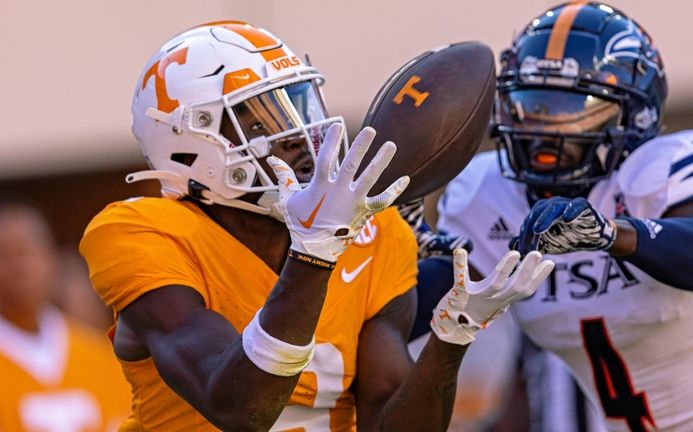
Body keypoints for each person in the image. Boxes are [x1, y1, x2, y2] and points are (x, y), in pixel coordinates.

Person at [78, 21, 554, 431]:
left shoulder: (375, 232)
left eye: (297, 106)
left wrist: (452, 339)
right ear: (189, 146)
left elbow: (387, 417)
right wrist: (314, 255)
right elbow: (239, 407)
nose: (302, 134)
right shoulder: (143, 231)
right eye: (261, 119)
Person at [432, 2, 693, 431]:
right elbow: (419, 303)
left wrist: (613, 235)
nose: (543, 127)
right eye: (532, 102)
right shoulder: (488, 192)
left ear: (634, 115)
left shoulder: (664, 168)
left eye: (570, 106)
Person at [0, 196, 131, 432]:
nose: (20, 268)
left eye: (28, 252)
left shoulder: (100, 354)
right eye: (6, 256)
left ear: (52, 257)